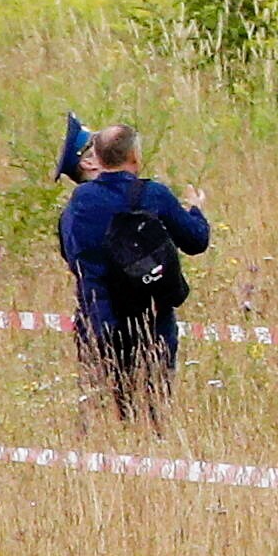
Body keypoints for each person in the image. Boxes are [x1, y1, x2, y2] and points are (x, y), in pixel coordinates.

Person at [56, 120, 208, 422]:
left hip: (98, 320)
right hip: (152, 319)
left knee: (103, 408)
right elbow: (196, 240)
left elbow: (71, 256)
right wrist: (197, 210)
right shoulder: (154, 194)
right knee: (154, 407)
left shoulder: (77, 203)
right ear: (134, 156)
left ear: (98, 159)